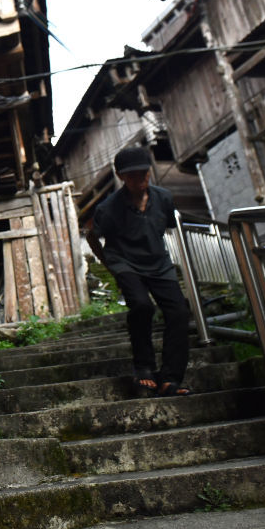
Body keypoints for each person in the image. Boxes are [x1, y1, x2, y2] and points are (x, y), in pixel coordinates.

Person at [86, 146, 192, 397]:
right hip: (125, 263)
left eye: (144, 174)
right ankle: (144, 367)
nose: (140, 180)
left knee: (179, 311)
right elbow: (92, 237)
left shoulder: (163, 198)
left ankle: (170, 378)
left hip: (158, 264)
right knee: (142, 306)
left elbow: (165, 226)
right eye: (132, 175)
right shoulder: (108, 208)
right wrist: (111, 266)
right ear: (121, 176)